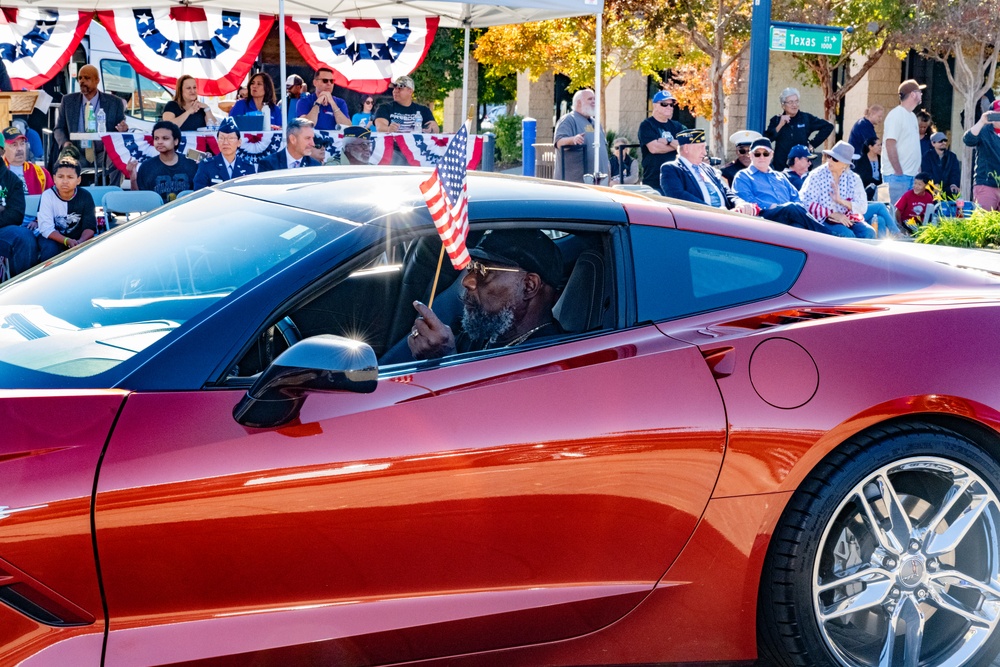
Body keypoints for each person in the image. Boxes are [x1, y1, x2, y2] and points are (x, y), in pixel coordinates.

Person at [406, 229, 564, 360]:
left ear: (529, 286)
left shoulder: (547, 360)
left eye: (482, 270)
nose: (467, 281)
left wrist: (446, 359)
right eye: (471, 268)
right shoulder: (484, 332)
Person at [731, 138, 832, 234]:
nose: (762, 157)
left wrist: (788, 210)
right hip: (763, 217)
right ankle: (829, 236)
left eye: (765, 153)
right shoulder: (743, 176)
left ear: (771, 155)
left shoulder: (780, 176)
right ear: (751, 155)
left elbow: (796, 198)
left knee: (798, 227)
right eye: (757, 154)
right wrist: (770, 206)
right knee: (792, 207)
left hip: (787, 218)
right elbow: (745, 200)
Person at [53, 64, 129, 185]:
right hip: (77, 151)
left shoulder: (114, 102)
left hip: (103, 152)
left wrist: (123, 129)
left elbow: (121, 127)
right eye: (80, 78)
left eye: (87, 78)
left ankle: (114, 191)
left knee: (118, 158)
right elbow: (58, 129)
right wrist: (65, 144)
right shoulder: (68, 101)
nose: (82, 81)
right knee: (64, 164)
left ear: (97, 80)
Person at [659, 128, 756, 215]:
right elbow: (678, 196)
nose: (705, 153)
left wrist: (739, 203)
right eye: (700, 147)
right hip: (698, 221)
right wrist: (714, 211)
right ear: (687, 148)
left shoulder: (708, 168)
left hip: (724, 217)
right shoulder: (671, 168)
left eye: (704, 147)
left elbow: (726, 191)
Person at [799, 141, 876, 239]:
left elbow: (862, 207)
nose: (830, 161)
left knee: (869, 232)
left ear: (845, 164)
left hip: (847, 219)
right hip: (822, 220)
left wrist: (840, 201)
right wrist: (832, 214)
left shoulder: (854, 178)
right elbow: (804, 201)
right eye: (829, 156)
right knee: (847, 234)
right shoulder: (817, 175)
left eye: (835, 159)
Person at [34, 158, 96, 262]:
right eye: (60, 177)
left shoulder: (85, 196)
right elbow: (46, 229)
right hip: (52, 238)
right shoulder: (47, 196)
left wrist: (80, 242)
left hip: (78, 238)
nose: (65, 181)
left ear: (78, 180)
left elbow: (90, 226)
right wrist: (67, 241)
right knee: (50, 249)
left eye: (70, 177)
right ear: (54, 178)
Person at [127, 121, 198, 203]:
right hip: (157, 213)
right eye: (156, 138)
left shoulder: (191, 163)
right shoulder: (146, 166)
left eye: (165, 138)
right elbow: (139, 200)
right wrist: (133, 179)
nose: (159, 142)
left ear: (176, 141)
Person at [764, 87, 834, 170]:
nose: (794, 105)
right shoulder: (776, 120)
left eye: (796, 101)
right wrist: (780, 124)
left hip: (801, 167)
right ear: (783, 105)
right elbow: (767, 139)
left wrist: (812, 145)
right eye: (790, 102)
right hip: (781, 167)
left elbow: (828, 126)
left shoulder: (806, 118)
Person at [883, 79, 925, 206]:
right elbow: (890, 143)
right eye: (919, 92)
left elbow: (912, 145)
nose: (922, 94)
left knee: (906, 216)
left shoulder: (912, 116)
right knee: (892, 214)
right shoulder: (896, 115)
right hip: (896, 177)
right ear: (912, 94)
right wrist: (898, 171)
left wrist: (918, 171)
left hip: (911, 176)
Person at [553, 89, 609, 184]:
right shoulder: (568, 120)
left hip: (599, 182)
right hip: (575, 184)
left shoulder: (596, 123)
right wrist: (572, 140)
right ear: (579, 103)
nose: (593, 102)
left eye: (594, 99)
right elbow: (559, 142)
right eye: (590, 99)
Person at [637, 90, 685, 191]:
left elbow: (684, 146)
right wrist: (675, 145)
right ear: (655, 105)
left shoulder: (677, 126)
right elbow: (654, 148)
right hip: (654, 180)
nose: (669, 107)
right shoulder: (647, 125)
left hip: (675, 179)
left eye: (671, 105)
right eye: (664, 104)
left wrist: (668, 141)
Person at [193, 118, 256, 190]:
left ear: (239, 142)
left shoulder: (248, 167)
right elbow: (199, 194)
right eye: (222, 138)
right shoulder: (207, 166)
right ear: (217, 142)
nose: (225, 142)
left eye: (230, 138)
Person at [963, 100, 1000, 210]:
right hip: (986, 184)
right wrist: (982, 121)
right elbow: (968, 140)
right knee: (983, 223)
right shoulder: (983, 130)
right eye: (997, 114)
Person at [0, 154, 32, 277]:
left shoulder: (12, 180)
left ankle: (21, 287)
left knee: (25, 237)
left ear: (1, 151)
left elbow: (16, 215)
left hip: (3, 231)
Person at [374, 75, 439, 134]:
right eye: (394, 87)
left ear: (410, 91)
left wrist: (430, 129)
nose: (395, 91)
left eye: (400, 87)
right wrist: (388, 129)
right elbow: (380, 127)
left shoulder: (423, 110)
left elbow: (435, 128)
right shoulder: (384, 108)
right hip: (393, 145)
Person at [258, 118, 324, 171]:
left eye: (312, 138)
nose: (313, 143)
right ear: (292, 139)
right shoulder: (268, 164)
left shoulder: (315, 166)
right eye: (308, 138)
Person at [3, 126, 51, 196]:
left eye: (22, 143)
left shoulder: (41, 173)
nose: (19, 149)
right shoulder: (2, 171)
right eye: (14, 145)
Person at [921, 131, 961, 197]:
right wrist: (934, 184)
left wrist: (953, 184)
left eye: (945, 140)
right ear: (933, 143)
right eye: (940, 141)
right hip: (931, 191)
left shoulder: (952, 156)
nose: (943, 143)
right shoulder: (927, 156)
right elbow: (926, 173)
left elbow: (955, 172)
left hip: (948, 191)